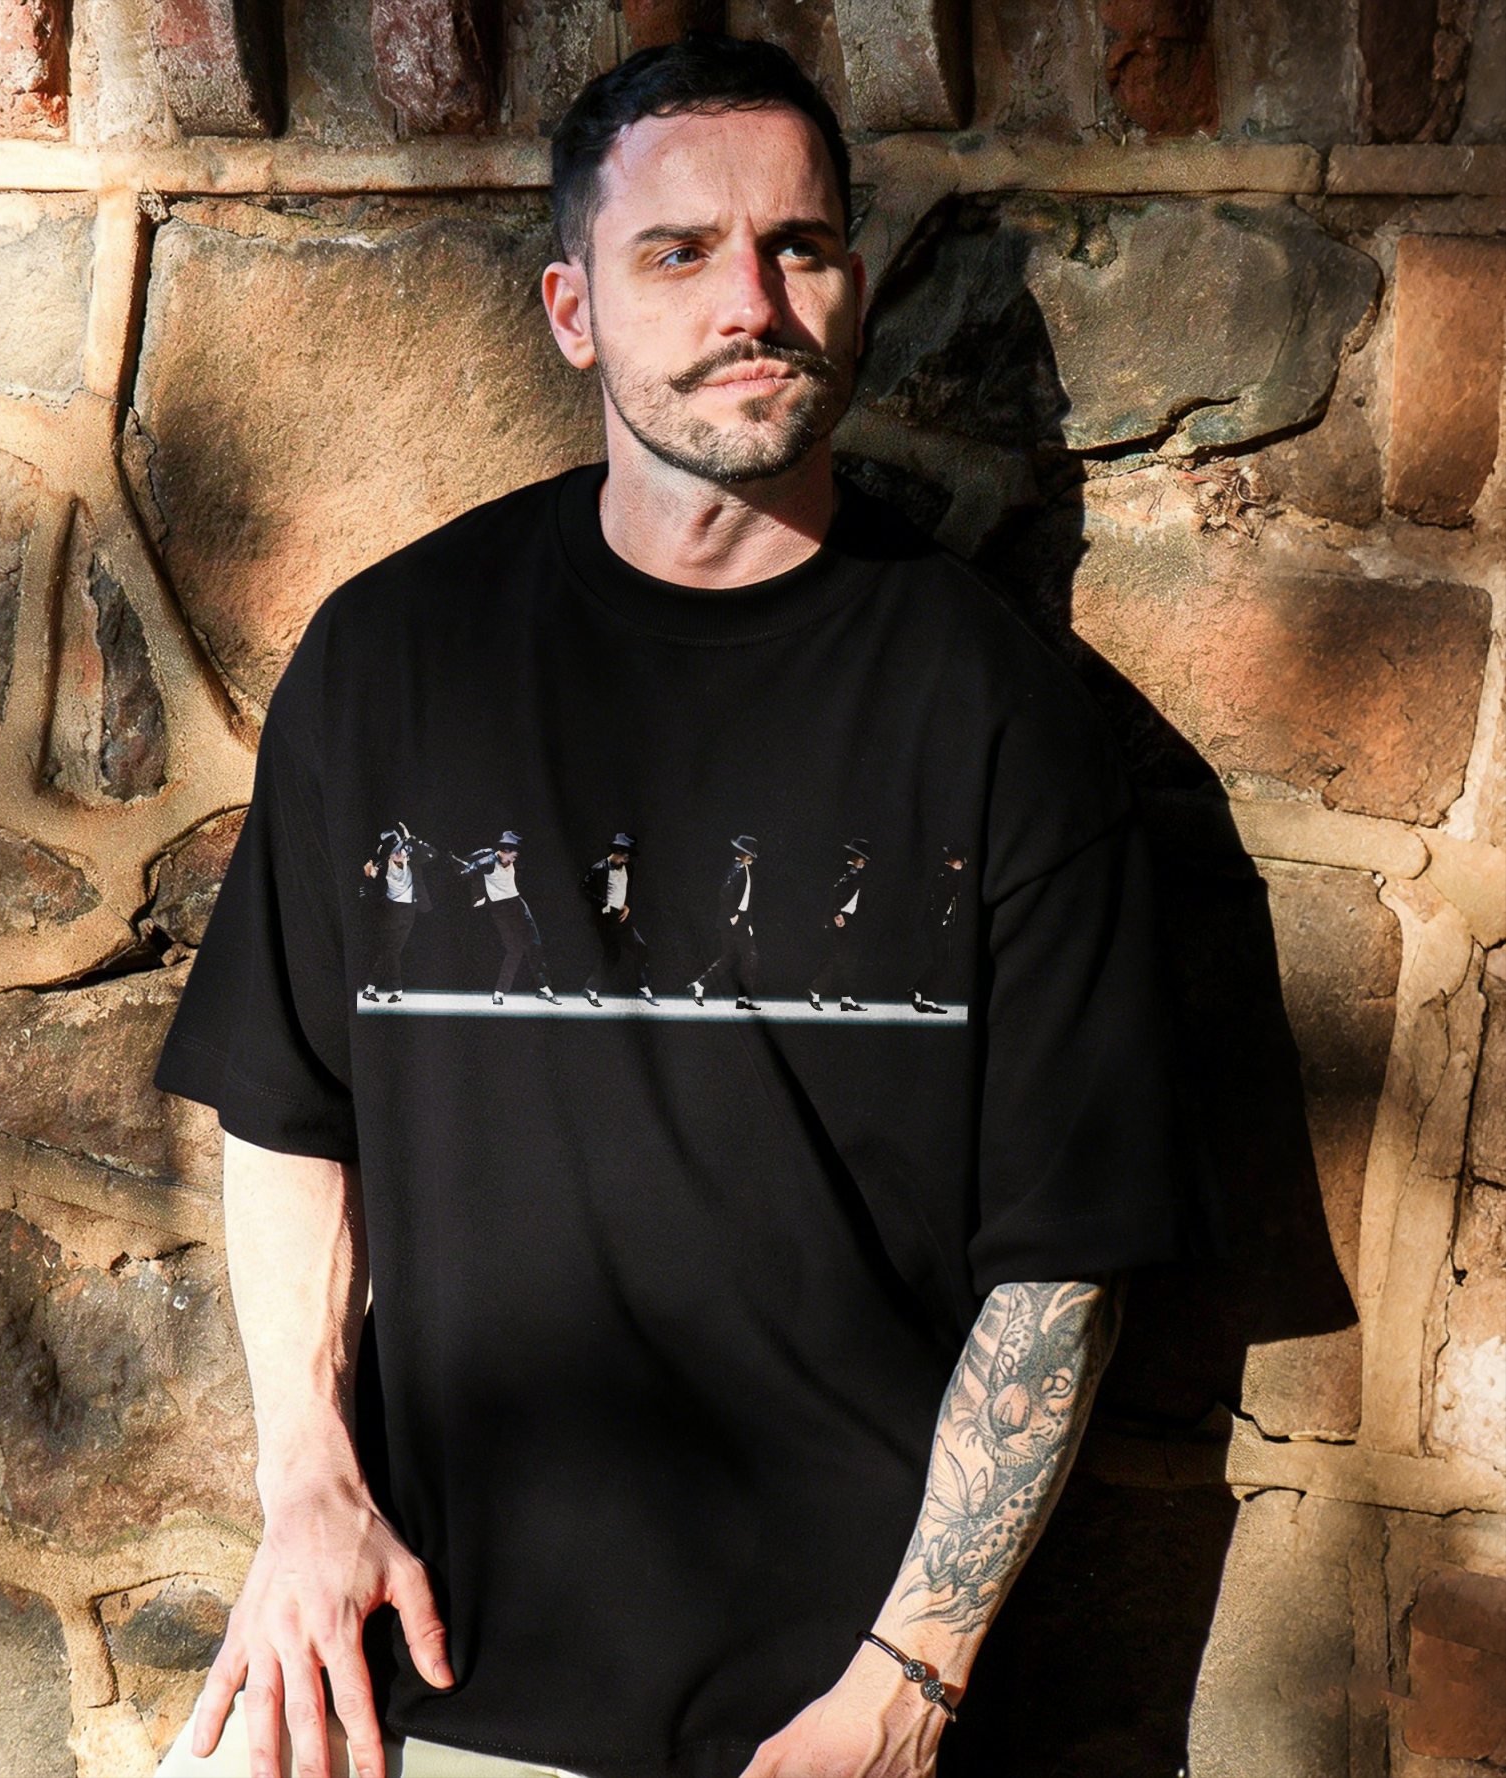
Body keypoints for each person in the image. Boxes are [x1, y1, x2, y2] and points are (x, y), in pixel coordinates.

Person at [153, 31, 1190, 1778]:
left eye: (799, 247)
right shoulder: (394, 660)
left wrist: (907, 1682)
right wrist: (307, 1485)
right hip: (416, 1678)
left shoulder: (994, 713)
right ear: (573, 310)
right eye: (678, 252)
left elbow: (1065, 1258)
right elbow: (288, 1109)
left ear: (853, 288)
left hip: (820, 1717)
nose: (750, 304)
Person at [454, 832, 559, 1005]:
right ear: (505, 851)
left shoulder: (509, 860)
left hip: (517, 904)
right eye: (513, 853)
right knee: (515, 950)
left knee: (534, 945)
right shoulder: (488, 862)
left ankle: (543, 987)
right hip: (500, 909)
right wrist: (479, 895)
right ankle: (499, 992)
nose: (515, 857)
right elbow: (465, 872)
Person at [360, 825, 437, 1003]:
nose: (399, 854)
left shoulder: (413, 860)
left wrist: (410, 839)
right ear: (388, 855)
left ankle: (371, 988)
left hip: (409, 909)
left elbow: (433, 853)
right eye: (394, 852)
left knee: (392, 951)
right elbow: (366, 889)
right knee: (392, 951)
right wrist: (368, 877)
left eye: (400, 849)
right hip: (391, 909)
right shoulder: (381, 867)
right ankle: (395, 990)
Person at [580, 833, 658, 1006]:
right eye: (624, 856)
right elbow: (583, 889)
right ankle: (591, 989)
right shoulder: (599, 868)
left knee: (639, 948)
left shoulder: (628, 867)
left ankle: (643, 988)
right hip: (605, 918)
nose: (626, 860)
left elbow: (628, 889)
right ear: (617, 852)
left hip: (620, 916)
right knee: (613, 954)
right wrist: (602, 904)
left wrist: (627, 905)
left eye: (628, 857)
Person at [688, 834, 762, 1009]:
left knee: (729, 957)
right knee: (750, 957)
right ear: (743, 853)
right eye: (748, 854)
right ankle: (744, 997)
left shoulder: (743, 869)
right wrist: (733, 916)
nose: (750, 858)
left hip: (740, 920)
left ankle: (699, 985)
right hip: (734, 921)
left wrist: (747, 922)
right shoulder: (737, 869)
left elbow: (746, 900)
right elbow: (725, 893)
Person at [809, 839, 869, 1011]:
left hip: (847, 919)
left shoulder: (854, 872)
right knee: (840, 958)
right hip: (838, 919)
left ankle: (846, 998)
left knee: (849, 959)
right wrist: (836, 913)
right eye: (863, 858)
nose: (865, 862)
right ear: (855, 856)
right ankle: (814, 991)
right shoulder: (846, 871)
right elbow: (832, 894)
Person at [910, 847, 965, 1017]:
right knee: (943, 960)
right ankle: (918, 990)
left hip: (942, 923)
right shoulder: (943, 873)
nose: (963, 864)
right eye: (960, 859)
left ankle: (925, 997)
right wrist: (940, 920)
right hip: (936, 923)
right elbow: (937, 900)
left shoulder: (949, 874)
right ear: (952, 858)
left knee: (943, 961)